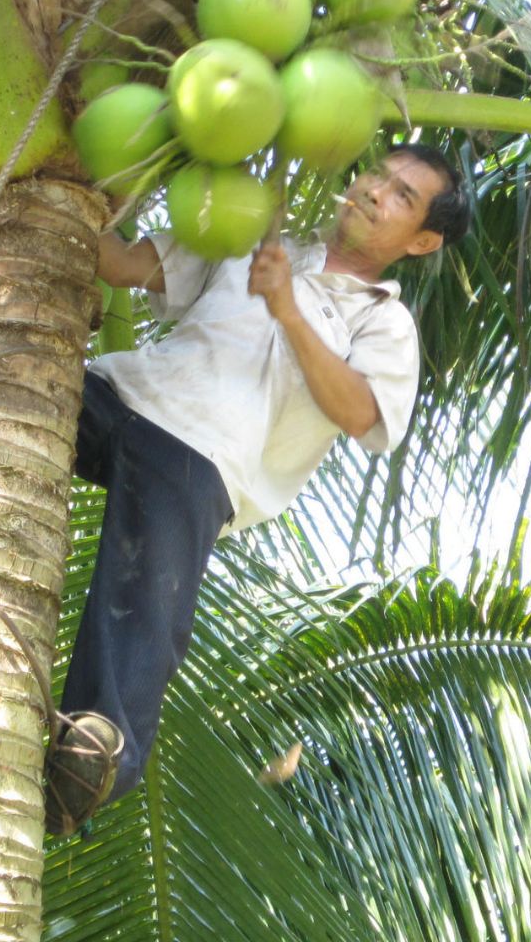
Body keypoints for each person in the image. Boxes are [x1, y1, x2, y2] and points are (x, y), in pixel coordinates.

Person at [44, 142, 472, 835]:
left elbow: (362, 414)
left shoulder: (383, 322)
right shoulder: (256, 235)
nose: (373, 192)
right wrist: (54, 190)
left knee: (143, 611)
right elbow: (124, 265)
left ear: (422, 241)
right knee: (2, 378)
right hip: (123, 391)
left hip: (202, 454)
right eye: (376, 175)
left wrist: (290, 311)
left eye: (402, 196)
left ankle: (90, 763)